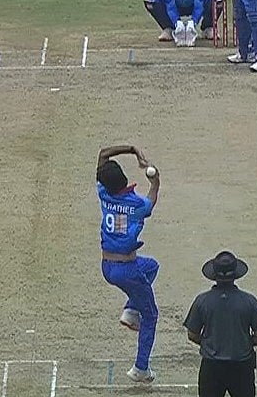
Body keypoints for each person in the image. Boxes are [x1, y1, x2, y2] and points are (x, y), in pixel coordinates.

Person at [96, 144, 162, 383]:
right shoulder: (135, 205)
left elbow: (103, 154)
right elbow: (151, 200)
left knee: (151, 266)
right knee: (151, 315)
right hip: (127, 269)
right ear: (124, 179)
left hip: (108, 266)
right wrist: (155, 181)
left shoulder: (103, 193)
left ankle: (131, 310)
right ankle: (141, 368)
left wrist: (131, 149)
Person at [184, 251, 257, 397]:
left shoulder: (202, 301)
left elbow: (192, 334)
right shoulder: (249, 301)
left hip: (211, 366)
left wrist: (208, 343)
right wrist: (244, 343)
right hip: (241, 365)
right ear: (235, 275)